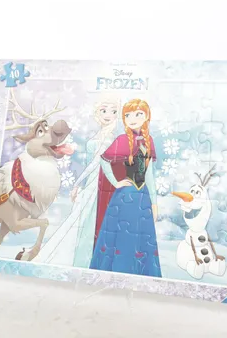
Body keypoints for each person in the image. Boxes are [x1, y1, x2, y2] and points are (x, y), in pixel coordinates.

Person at [35, 96, 120, 266]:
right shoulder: (99, 136)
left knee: (90, 220)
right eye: (104, 110)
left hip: (104, 183)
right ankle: (80, 258)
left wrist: (77, 183)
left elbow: (98, 163)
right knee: (82, 220)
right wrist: (80, 184)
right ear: (97, 113)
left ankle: (90, 258)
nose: (108, 115)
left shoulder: (111, 139)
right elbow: (91, 165)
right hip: (92, 183)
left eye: (113, 111)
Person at [90, 98, 161, 277]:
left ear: (147, 116)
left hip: (143, 197)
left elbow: (149, 175)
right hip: (125, 197)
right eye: (128, 115)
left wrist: (154, 202)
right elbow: (104, 160)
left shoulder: (149, 141)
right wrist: (116, 182)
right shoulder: (122, 140)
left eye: (138, 114)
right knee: (123, 238)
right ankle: (119, 272)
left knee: (142, 239)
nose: (132, 119)